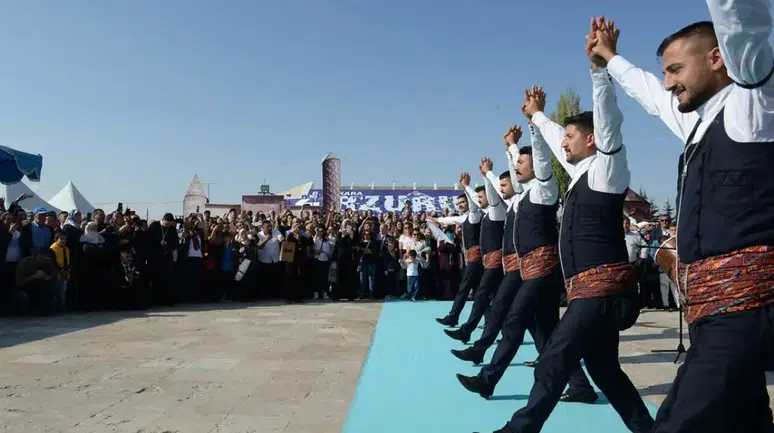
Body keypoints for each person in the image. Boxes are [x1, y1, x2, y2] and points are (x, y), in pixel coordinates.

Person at [589, 3, 774, 431]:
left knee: (676, 421)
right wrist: (610, 60)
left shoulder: (754, 107)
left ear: (718, 58)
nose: (669, 82)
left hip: (744, 312)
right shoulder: (701, 122)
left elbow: (743, 20)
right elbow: (652, 96)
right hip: (712, 315)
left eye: (675, 69)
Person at [476, 22, 654, 433]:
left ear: (593, 140)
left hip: (602, 293)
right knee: (606, 372)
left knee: (554, 358)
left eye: (573, 136)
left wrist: (598, 71)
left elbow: (608, 123)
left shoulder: (608, 168)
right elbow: (556, 139)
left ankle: (517, 430)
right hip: (590, 294)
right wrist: (538, 116)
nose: (565, 143)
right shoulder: (579, 176)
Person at [457, 94, 597, 404]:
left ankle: (488, 379)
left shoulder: (546, 189)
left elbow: (541, 160)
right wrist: (510, 150)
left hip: (542, 272)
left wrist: (534, 122)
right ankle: (580, 386)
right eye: (517, 162)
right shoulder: (520, 198)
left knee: (513, 321)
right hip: (529, 272)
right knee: (545, 330)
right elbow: (508, 178)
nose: (517, 166)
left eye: (522, 161)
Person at [448, 127, 536, 363]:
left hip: (519, 266)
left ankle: (472, 337)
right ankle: (577, 381)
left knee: (496, 305)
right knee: (536, 320)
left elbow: (496, 189)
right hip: (513, 266)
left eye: (504, 186)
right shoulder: (497, 210)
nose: (480, 199)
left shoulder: (500, 208)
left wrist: (490, 173)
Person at [432, 173, 484, 327]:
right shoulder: (464, 218)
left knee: (464, 289)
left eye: (463, 202)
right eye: (458, 203)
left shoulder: (474, 215)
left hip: (476, 258)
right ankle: (489, 321)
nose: (460, 205)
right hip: (472, 258)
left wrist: (466, 187)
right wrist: (436, 220)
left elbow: (473, 206)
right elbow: (452, 219)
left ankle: (453, 316)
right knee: (480, 292)